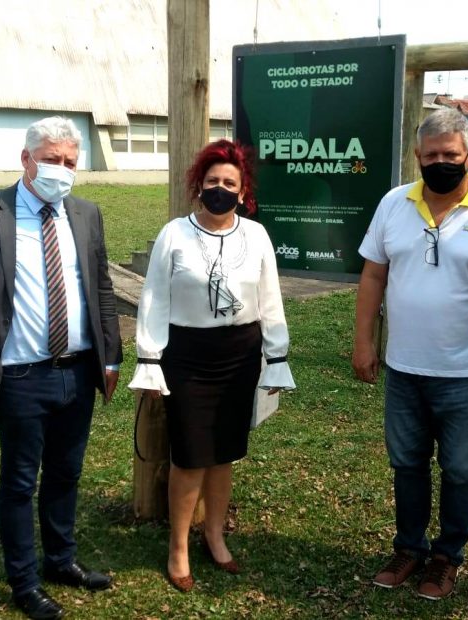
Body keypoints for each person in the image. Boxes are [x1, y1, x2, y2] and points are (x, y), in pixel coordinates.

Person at [352, 107, 468, 600]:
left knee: (460, 470)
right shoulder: (393, 204)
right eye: (430, 155)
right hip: (404, 368)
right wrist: (364, 340)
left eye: (450, 155)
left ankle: (447, 557)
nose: (440, 162)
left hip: (466, 373)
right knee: (406, 463)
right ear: (417, 157)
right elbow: (373, 275)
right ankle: (409, 549)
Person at [0, 117, 121, 620]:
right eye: (51, 159)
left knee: (67, 473)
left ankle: (61, 559)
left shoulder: (85, 214)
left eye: (70, 162)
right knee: (20, 481)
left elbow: (101, 287)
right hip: (19, 375)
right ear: (26, 159)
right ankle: (23, 581)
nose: (61, 170)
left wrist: (110, 354)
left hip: (77, 370)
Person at [129, 139, 295, 593]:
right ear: (198, 187)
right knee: (190, 455)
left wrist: (276, 358)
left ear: (243, 192)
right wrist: (149, 360)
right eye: (212, 181)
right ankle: (178, 546)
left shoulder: (256, 235)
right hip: (188, 356)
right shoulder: (173, 234)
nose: (220, 189)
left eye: (230, 183)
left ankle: (215, 535)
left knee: (226, 453)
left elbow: (270, 301)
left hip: (240, 354)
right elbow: (153, 300)